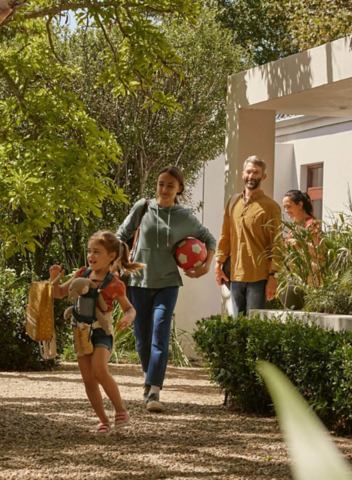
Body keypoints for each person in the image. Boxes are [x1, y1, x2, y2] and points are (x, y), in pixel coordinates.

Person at [117, 166, 216, 412]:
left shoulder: (185, 217)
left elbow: (209, 239)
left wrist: (205, 266)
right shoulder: (143, 207)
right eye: (161, 183)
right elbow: (121, 234)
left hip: (168, 284)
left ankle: (154, 392)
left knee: (160, 335)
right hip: (138, 282)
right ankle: (148, 378)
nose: (164, 189)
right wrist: (118, 260)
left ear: (179, 189)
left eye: (170, 185)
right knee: (142, 339)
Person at [49, 231, 143, 435]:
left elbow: (130, 308)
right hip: (81, 333)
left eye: (97, 252)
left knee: (99, 369)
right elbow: (58, 294)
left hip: (102, 332)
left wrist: (128, 317)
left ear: (111, 256)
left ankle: (121, 411)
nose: (91, 255)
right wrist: (54, 279)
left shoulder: (114, 283)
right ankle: (103, 421)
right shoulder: (81, 275)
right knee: (88, 379)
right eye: (89, 251)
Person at [215, 156, 282, 316]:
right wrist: (218, 264)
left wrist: (273, 276)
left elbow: (277, 244)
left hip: (258, 277)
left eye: (256, 173)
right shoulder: (233, 202)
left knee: (254, 325)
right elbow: (225, 236)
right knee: (239, 324)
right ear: (243, 174)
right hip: (235, 275)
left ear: (263, 176)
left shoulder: (270, 207)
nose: (251, 176)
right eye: (249, 172)